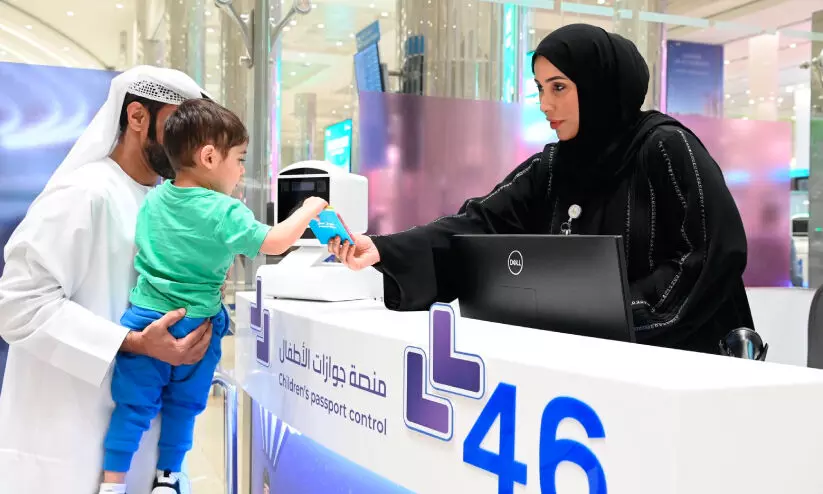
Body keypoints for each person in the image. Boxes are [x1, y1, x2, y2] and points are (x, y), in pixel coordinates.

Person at [330, 24, 754, 354]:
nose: (545, 104)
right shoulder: (554, 167)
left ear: (599, 86)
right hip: (590, 365)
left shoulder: (664, 148)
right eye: (539, 88)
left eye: (559, 87)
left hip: (684, 370)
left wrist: (616, 316)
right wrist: (386, 249)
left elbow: (706, 255)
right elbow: (479, 225)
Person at [98, 99, 328, 494]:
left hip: (144, 318)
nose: (241, 170)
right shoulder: (225, 211)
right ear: (209, 156)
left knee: (132, 407)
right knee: (183, 407)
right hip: (197, 324)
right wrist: (310, 207)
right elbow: (274, 243)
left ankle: (112, 483)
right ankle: (168, 478)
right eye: (238, 159)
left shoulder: (155, 197)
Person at [0, 66, 211, 494]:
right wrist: (131, 342)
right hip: (71, 441)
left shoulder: (162, 201)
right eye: (179, 127)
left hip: (143, 437)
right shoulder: (85, 193)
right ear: (137, 117)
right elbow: (18, 306)